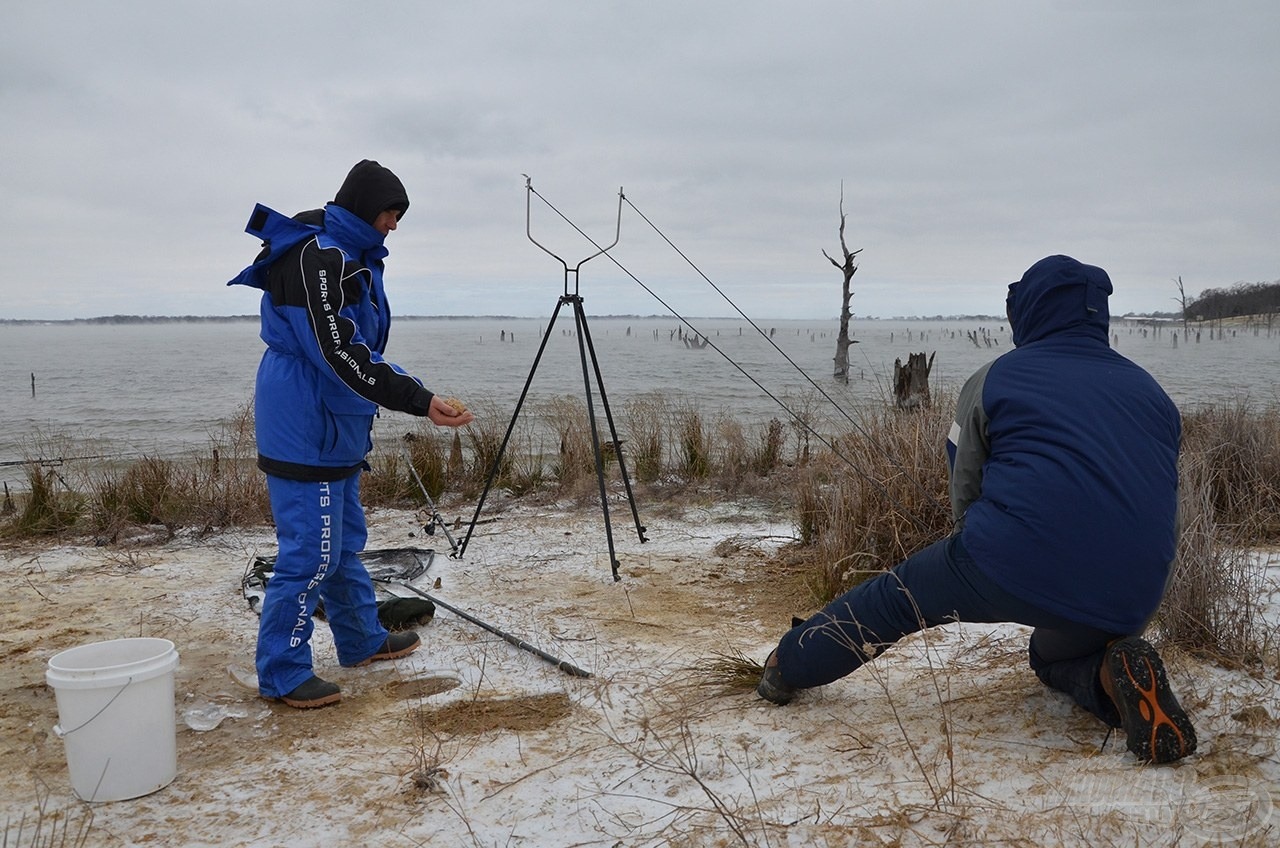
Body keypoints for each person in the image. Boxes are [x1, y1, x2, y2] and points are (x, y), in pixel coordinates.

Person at [757, 255, 1197, 765]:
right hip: (1134, 592)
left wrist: (972, 548)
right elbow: (1160, 498)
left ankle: (785, 665)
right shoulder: (1153, 394)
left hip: (1006, 558)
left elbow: (963, 474)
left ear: (1029, 310)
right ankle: (1112, 674)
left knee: (895, 600)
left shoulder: (997, 376)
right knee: (1052, 655)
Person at [229, 160, 473, 709]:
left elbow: (359, 350)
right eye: (391, 212)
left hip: (338, 423)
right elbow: (338, 351)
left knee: (342, 545)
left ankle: (360, 639)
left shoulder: (355, 256)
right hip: (304, 421)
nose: (395, 224)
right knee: (309, 555)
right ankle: (283, 672)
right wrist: (421, 400)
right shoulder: (318, 257)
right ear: (367, 208)